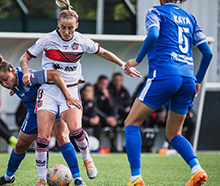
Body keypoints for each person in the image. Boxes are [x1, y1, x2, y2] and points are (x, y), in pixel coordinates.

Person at [19, 0, 140, 185]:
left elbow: (104, 52)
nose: (66, 32)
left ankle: (87, 158)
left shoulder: (81, 41)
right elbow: (24, 58)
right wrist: (26, 72)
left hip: (71, 90)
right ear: (57, 25)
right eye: (63, 28)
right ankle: (42, 179)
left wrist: (123, 65)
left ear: (77, 26)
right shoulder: (47, 39)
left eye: (70, 28)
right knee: (43, 137)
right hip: (48, 91)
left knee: (75, 130)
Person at [123, 0, 213, 185]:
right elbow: (208, 53)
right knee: (174, 133)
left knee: (131, 123)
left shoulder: (156, 11)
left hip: (164, 75)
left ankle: (135, 178)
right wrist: (198, 80)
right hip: (187, 78)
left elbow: (154, 34)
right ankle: (196, 169)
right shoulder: (190, 18)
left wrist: (137, 60)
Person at [0, 54, 82, 186]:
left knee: (62, 137)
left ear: (12, 71)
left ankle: (77, 178)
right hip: (34, 112)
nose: (4, 84)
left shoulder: (29, 76)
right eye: (0, 82)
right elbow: (15, 85)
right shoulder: (13, 81)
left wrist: (68, 96)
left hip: (51, 109)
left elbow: (54, 76)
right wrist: (13, 87)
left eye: (5, 79)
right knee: (20, 145)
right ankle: (8, 177)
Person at [94, 75, 118, 152]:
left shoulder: (109, 92)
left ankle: (113, 147)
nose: (104, 86)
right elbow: (95, 108)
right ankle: (96, 146)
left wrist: (108, 97)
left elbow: (113, 107)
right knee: (97, 124)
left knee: (114, 122)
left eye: (105, 84)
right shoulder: (94, 92)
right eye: (102, 84)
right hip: (98, 117)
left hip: (108, 118)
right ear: (98, 83)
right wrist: (106, 118)